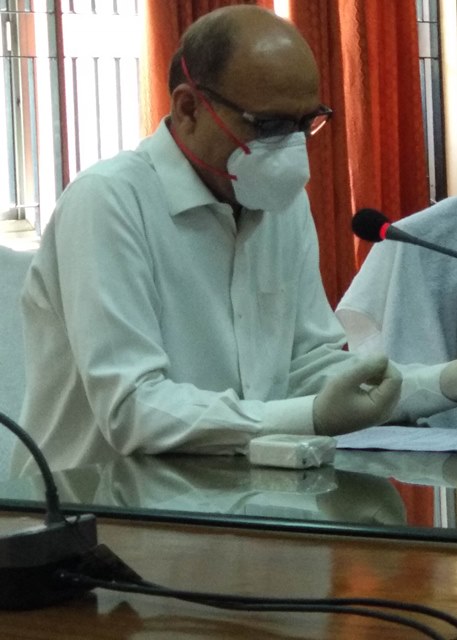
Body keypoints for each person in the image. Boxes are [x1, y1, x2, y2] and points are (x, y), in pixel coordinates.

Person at [10, 5, 457, 475]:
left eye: (305, 123)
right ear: (188, 108)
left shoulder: (282, 203)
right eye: (269, 126)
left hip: (239, 494)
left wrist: (443, 382)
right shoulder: (108, 201)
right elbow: (133, 410)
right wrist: (312, 416)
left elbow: (306, 368)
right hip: (95, 504)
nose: (291, 148)